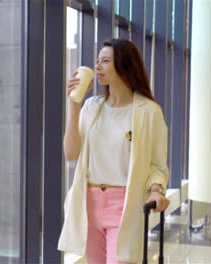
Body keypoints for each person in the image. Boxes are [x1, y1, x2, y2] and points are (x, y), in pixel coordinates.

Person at [58, 38, 170, 264]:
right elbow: (71, 155)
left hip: (124, 206)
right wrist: (74, 104)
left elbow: (157, 164)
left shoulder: (149, 111)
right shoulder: (91, 107)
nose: (97, 67)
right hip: (88, 205)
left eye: (105, 61)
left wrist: (157, 190)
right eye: (97, 61)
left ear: (125, 64)